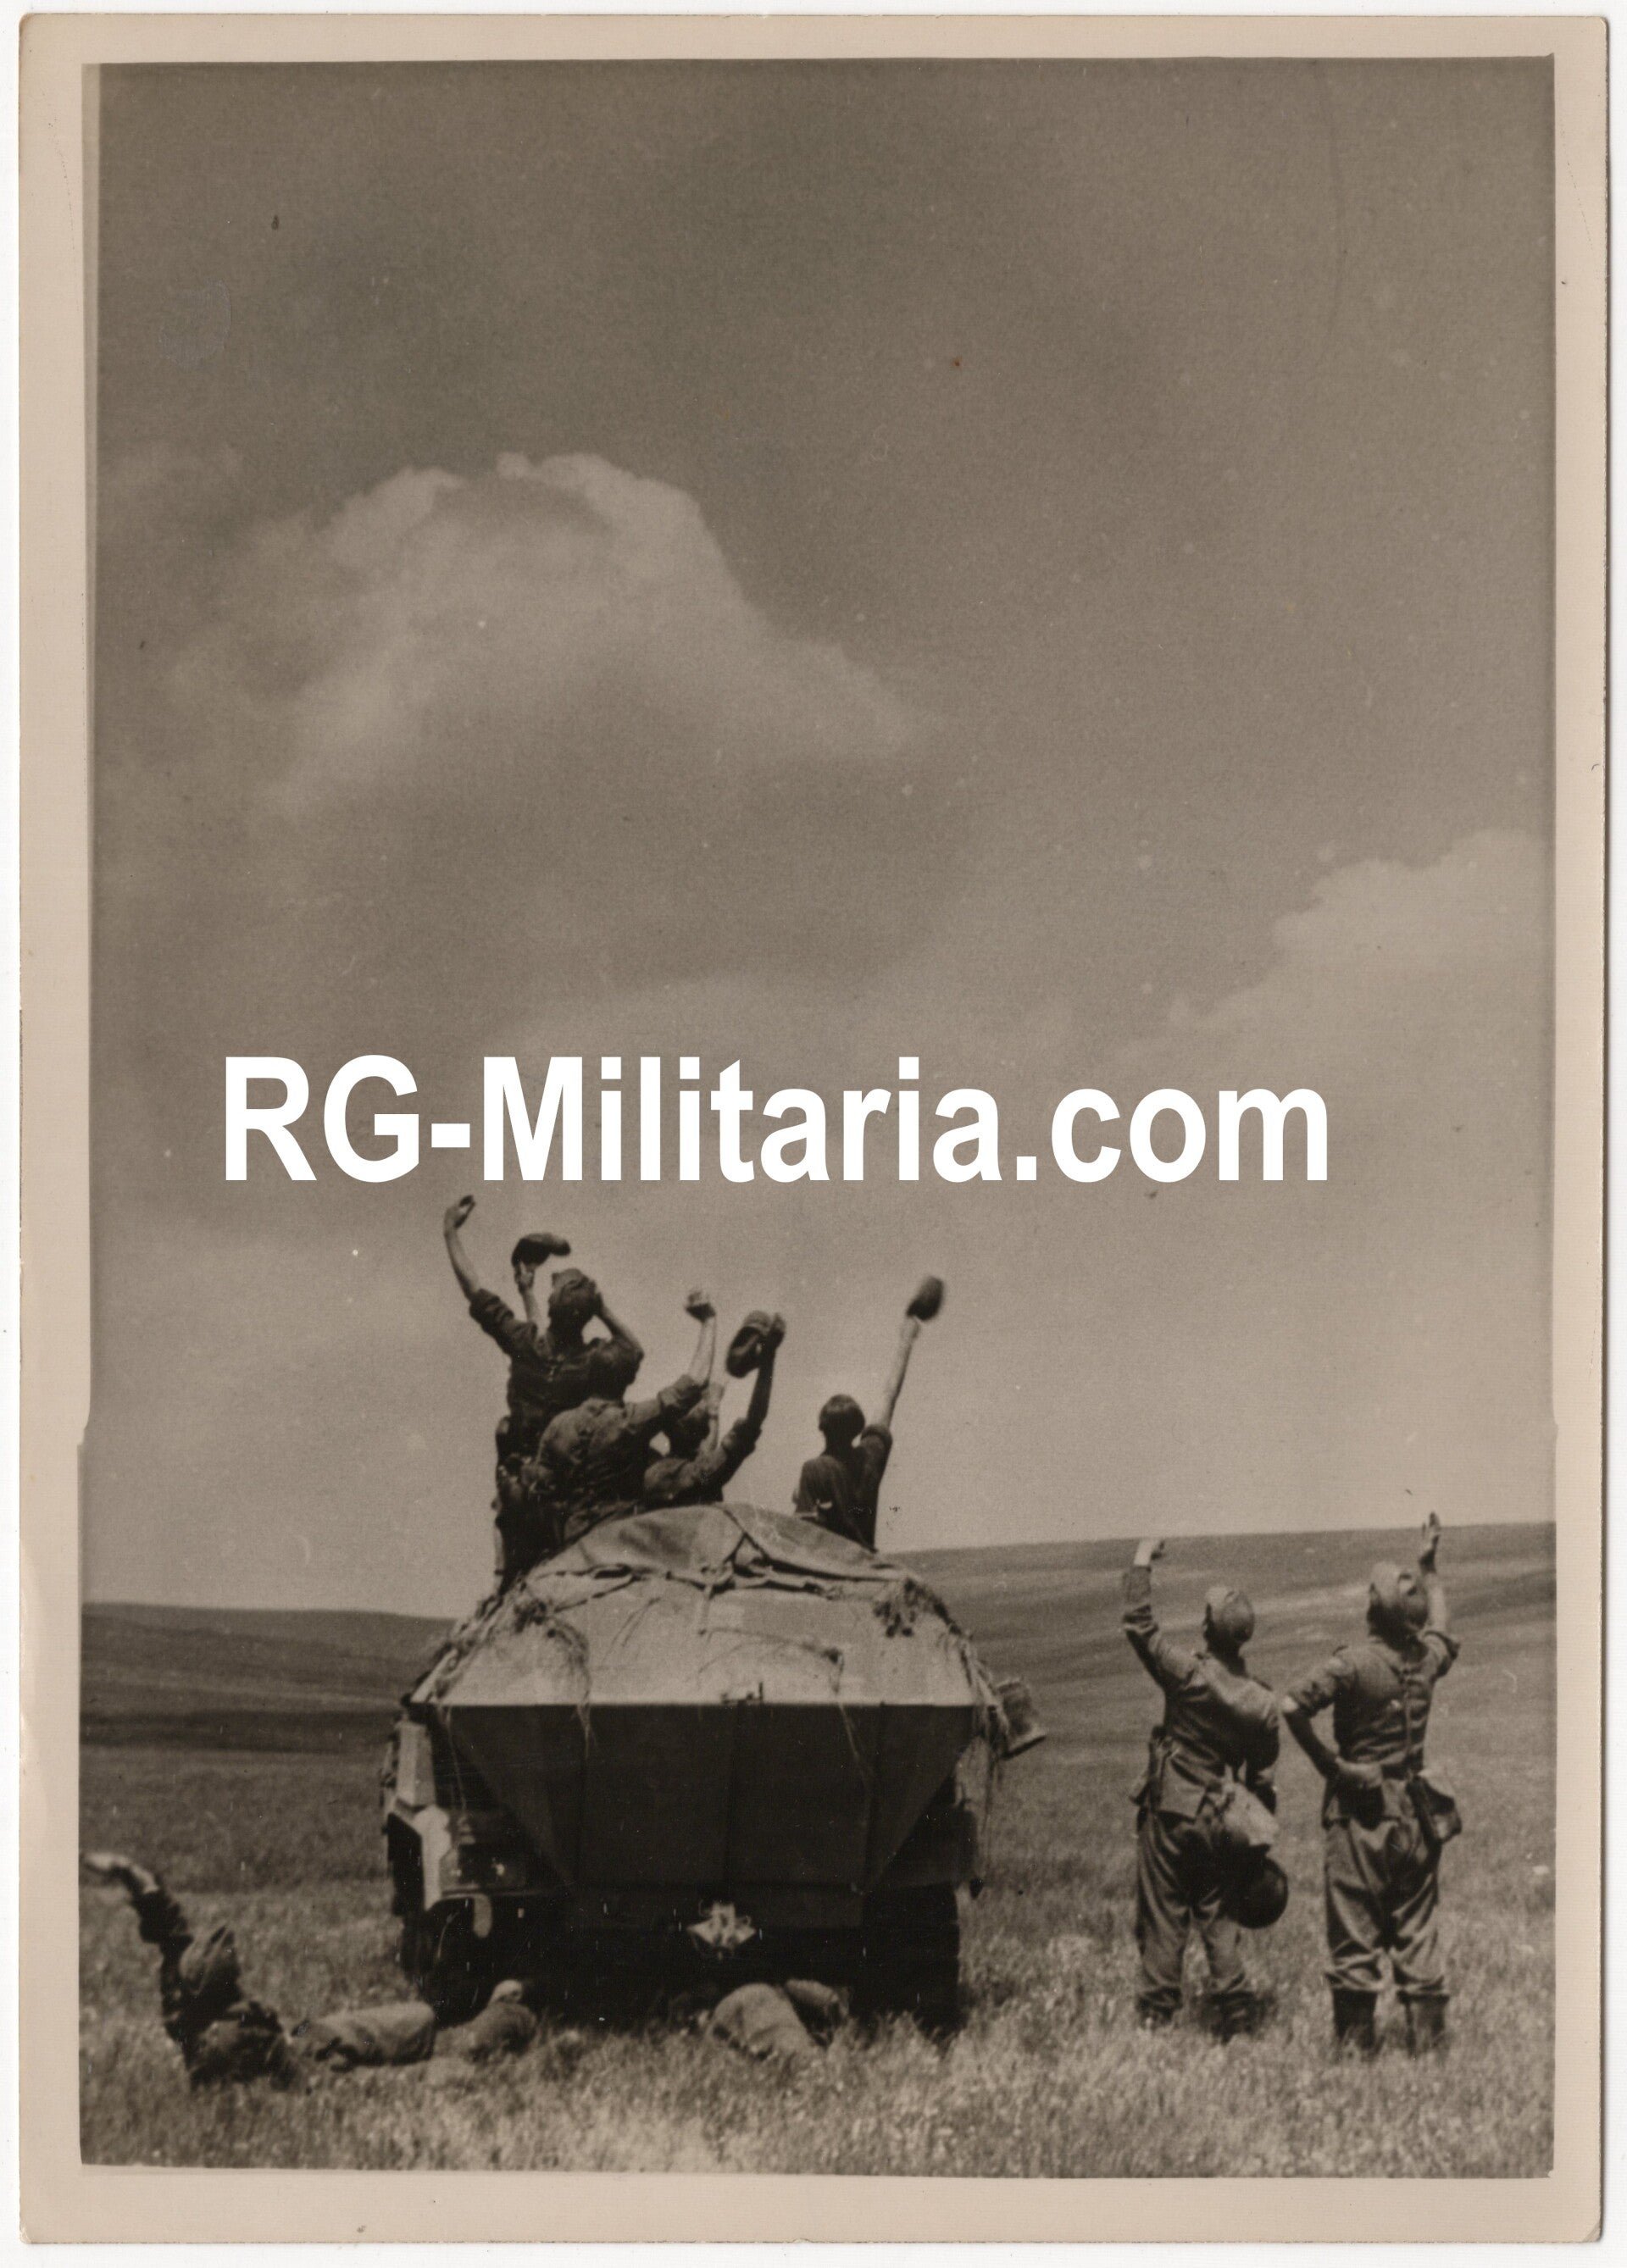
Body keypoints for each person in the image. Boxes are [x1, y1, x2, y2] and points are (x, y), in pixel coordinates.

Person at [81, 1853, 543, 2086]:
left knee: (418, 2019)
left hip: (305, 2033)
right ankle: (514, 2009)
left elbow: (168, 1926)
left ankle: (499, 2004)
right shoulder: (227, 2043)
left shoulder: (189, 1996)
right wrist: (374, 2081)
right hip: (314, 2060)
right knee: (453, 2064)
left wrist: (126, 1870)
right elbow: (308, 2086)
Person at [1281, 1513, 1460, 2056]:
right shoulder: (1424, 1661)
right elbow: (1443, 1633)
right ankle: (1430, 2053)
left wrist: (1331, 1767)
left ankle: (1357, 2056)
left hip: (1360, 1815)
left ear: (1374, 1612)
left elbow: (1291, 1705)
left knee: (1355, 1929)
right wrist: (1429, 1571)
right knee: (1417, 1928)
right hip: (1416, 1814)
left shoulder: (1352, 1664)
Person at [1122, 1538, 1280, 2039]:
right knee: (1219, 1918)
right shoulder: (1261, 1704)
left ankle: (1155, 2022)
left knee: (1165, 1915)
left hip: (1170, 1815)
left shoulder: (1188, 1675)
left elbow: (1140, 1627)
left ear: (1208, 1628)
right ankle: (1237, 2019)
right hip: (1220, 1819)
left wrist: (1142, 1560)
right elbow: (1261, 1781)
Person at [441, 1196, 644, 1470]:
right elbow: (633, 1350)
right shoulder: (591, 1362)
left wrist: (450, 1230)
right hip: (564, 1471)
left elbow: (473, 1288)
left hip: (522, 1474)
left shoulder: (525, 1344)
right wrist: (601, 1307)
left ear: (550, 1307)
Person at [525, 1291, 719, 1552]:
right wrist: (709, 1321)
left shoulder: (557, 1426)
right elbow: (694, 1383)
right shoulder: (629, 1422)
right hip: (623, 1540)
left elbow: (542, 1491)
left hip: (573, 1544)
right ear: (627, 1380)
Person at [793, 1277, 941, 1550]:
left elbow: (805, 1533)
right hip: (866, 1559)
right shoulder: (869, 1457)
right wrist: (906, 1337)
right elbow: (889, 1396)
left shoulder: (814, 1470)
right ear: (856, 1428)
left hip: (834, 1567)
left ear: (821, 1428)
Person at [643, 1313, 785, 1510]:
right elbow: (753, 1422)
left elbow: (709, 1450)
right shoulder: (696, 1474)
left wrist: (713, 1413)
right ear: (676, 1426)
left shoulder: (659, 1466)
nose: (704, 1403)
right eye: (697, 1403)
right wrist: (768, 1358)